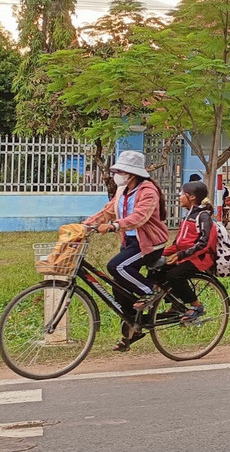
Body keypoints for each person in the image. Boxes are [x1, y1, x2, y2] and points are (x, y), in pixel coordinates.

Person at [83, 151, 169, 352]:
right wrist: (85, 225)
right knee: (118, 284)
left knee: (116, 267)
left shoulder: (148, 191)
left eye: (121, 170)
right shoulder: (123, 190)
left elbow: (140, 217)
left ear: (132, 173)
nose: (117, 174)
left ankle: (151, 290)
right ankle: (135, 326)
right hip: (131, 242)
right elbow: (107, 211)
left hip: (150, 244)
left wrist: (114, 226)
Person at [162, 181, 216, 324]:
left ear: (191, 197)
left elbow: (203, 243)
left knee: (175, 274)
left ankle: (196, 305)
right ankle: (176, 303)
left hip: (200, 258)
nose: (179, 197)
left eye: (182, 194)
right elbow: (178, 243)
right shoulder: (187, 216)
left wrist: (180, 255)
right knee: (159, 268)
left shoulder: (203, 216)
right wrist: (160, 253)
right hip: (186, 256)